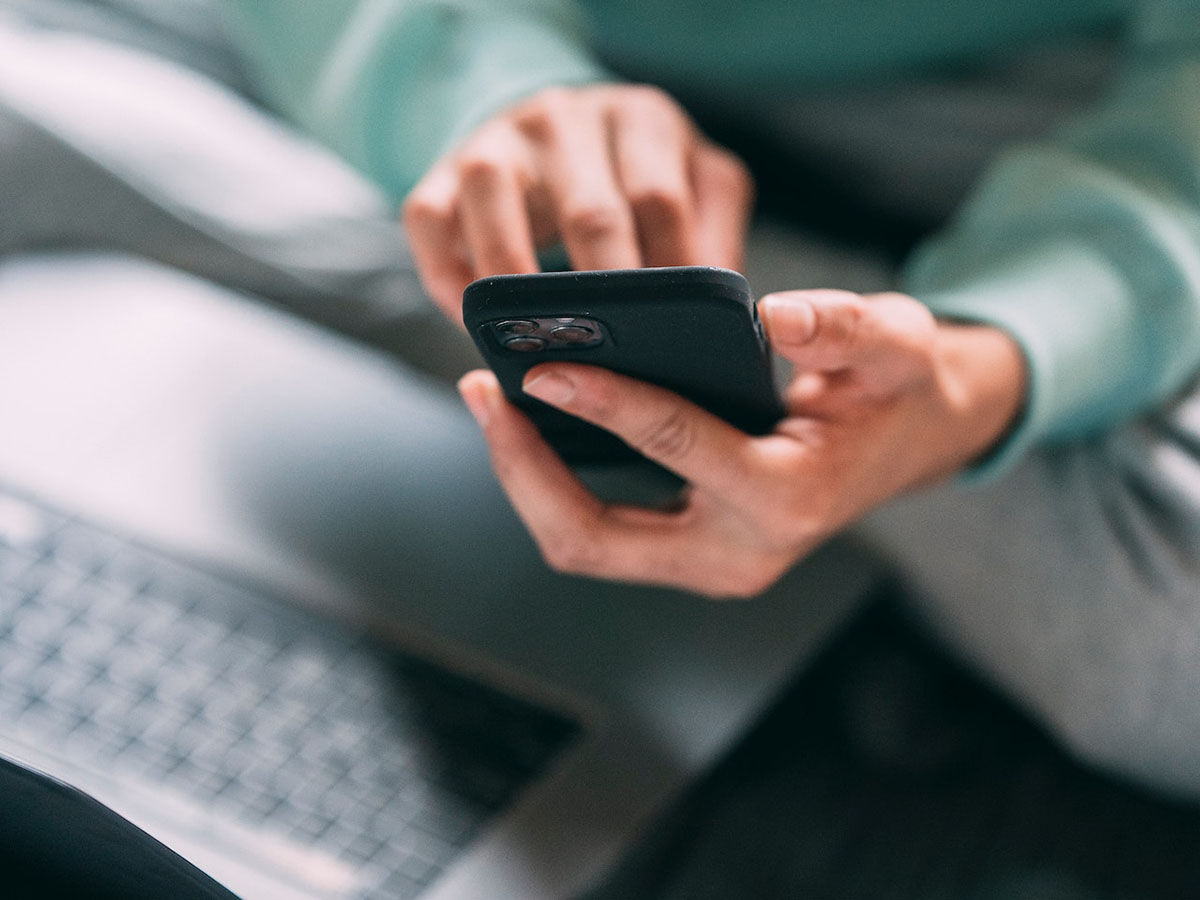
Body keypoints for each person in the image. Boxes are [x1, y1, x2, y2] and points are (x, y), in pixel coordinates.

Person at [4, 0, 1200, 799]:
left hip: (1045, 79)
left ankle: (539, 285)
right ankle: (650, 298)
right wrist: (473, 90)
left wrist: (997, 362)